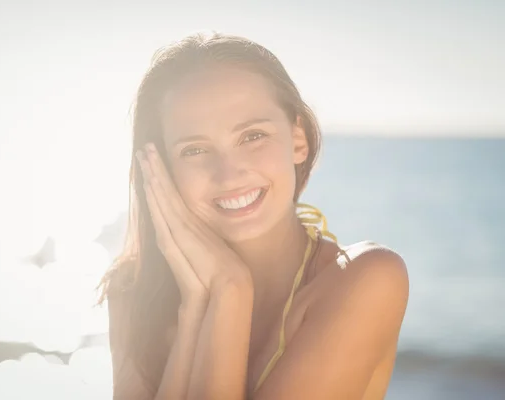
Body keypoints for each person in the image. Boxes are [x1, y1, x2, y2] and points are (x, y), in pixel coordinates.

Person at [98, 32, 409, 400]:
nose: (229, 174)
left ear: (298, 141)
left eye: (252, 136)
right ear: (161, 168)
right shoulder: (135, 291)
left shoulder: (365, 280)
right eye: (195, 149)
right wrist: (198, 307)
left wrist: (230, 290)